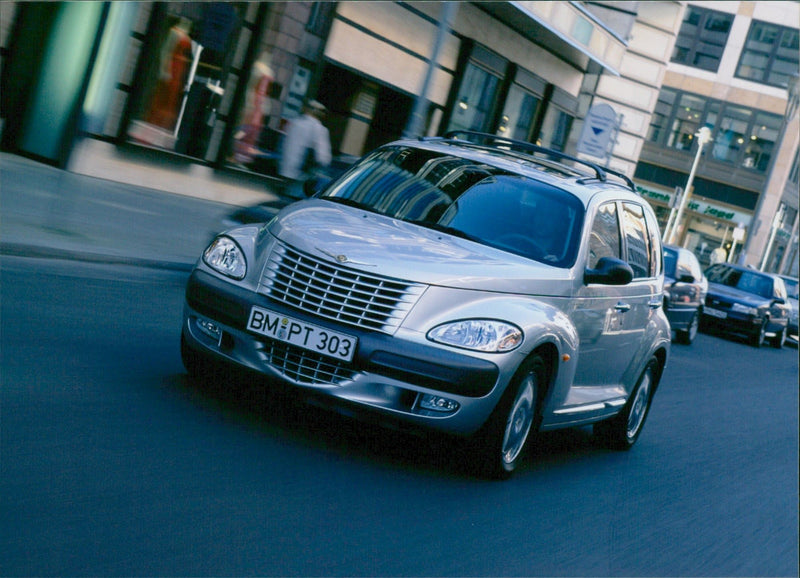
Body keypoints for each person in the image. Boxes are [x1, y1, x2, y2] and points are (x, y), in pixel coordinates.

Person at [279, 100, 332, 198]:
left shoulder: (293, 123)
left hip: (286, 171)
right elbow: (323, 158)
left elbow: (282, 145)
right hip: (303, 175)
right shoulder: (319, 129)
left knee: (285, 196)